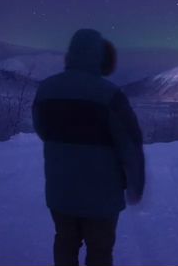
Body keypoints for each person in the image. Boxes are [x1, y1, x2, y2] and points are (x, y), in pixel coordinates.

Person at [33, 29, 145, 266]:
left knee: (65, 243)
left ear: (71, 54)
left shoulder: (45, 90)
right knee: (100, 252)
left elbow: (43, 131)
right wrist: (135, 185)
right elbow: (130, 144)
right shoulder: (110, 95)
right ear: (99, 56)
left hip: (60, 192)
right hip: (102, 198)